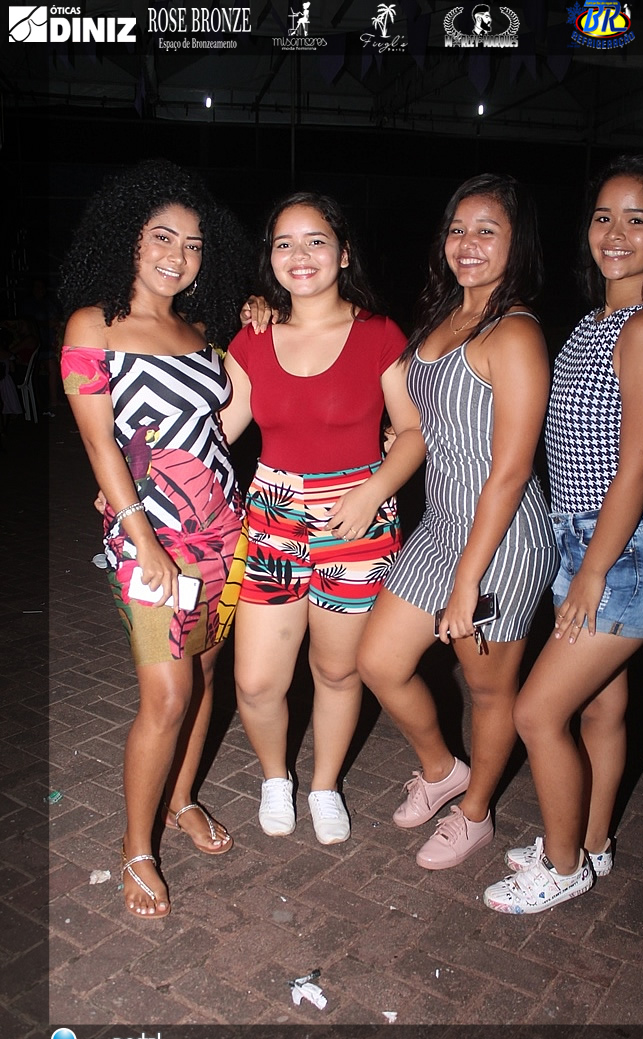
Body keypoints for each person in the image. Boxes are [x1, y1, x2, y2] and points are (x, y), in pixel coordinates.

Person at [483, 154, 643, 914]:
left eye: (638, 219)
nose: (615, 233)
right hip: (580, 540)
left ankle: (562, 863)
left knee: (536, 712)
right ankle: (593, 841)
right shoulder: (593, 323)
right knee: (601, 708)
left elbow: (638, 468)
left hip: (620, 553)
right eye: (604, 216)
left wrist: (594, 571)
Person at [59, 159, 252, 918]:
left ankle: (182, 798)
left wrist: (259, 318)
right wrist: (140, 534)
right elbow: (99, 443)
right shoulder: (91, 326)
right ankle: (136, 845)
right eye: (162, 236)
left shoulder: (201, 333)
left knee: (203, 676)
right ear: (128, 239)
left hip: (222, 527)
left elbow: (220, 427)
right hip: (147, 535)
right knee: (167, 694)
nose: (179, 254)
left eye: (194, 244)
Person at [357, 173, 559, 869]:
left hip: (501, 541)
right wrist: (404, 435)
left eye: (486, 231)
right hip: (441, 524)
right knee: (378, 661)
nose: (467, 244)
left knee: (487, 688)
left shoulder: (516, 332)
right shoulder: (443, 316)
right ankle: (444, 770)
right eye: (457, 229)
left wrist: (468, 582)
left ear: (516, 243)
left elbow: (510, 470)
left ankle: (475, 814)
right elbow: (430, 417)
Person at [221, 192, 424, 845]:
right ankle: (275, 777)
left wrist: (374, 490)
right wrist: (138, 480)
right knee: (256, 680)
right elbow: (217, 430)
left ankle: (325, 784)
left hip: (355, 519)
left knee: (337, 671)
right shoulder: (253, 336)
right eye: (284, 243)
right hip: (274, 516)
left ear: (342, 254)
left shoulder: (379, 334)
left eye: (315, 241)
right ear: (270, 258)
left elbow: (413, 431)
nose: (299, 255)